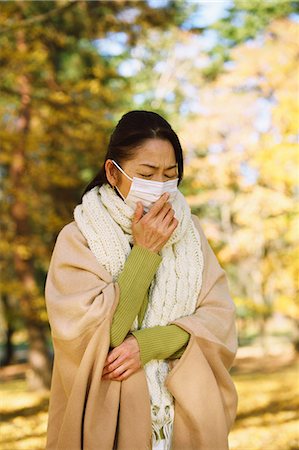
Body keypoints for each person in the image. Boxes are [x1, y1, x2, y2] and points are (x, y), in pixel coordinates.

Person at [44, 110, 238, 450]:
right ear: (113, 172)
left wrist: (149, 344)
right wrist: (145, 252)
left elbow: (219, 320)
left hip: (183, 419)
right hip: (115, 423)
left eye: (170, 175)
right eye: (147, 173)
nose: (160, 186)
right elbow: (98, 338)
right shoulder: (78, 239)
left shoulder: (191, 236)